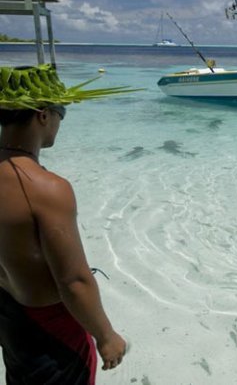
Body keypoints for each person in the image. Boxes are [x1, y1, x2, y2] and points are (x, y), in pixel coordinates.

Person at [0, 65, 133, 384]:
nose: (60, 123)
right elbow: (73, 281)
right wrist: (106, 336)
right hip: (52, 327)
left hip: (9, 315)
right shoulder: (47, 189)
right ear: (43, 115)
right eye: (62, 114)